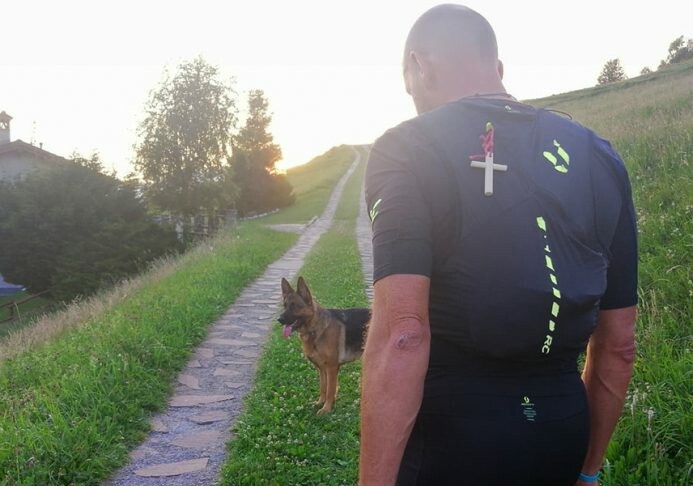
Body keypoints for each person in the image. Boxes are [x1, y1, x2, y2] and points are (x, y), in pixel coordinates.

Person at [359, 4, 638, 486]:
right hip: (561, 435)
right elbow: (619, 346)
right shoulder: (600, 158)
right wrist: (588, 472)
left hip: (451, 445)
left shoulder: (405, 149)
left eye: (409, 87)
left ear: (419, 66)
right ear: (498, 70)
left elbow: (403, 336)